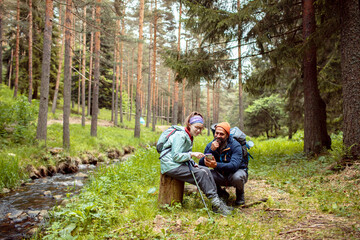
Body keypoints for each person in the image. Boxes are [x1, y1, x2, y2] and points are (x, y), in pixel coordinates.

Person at [159, 112, 233, 215]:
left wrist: (193, 163)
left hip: (177, 163)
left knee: (206, 170)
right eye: (196, 127)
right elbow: (176, 156)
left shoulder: (189, 135)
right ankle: (216, 204)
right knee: (201, 173)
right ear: (189, 125)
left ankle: (217, 201)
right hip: (170, 166)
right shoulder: (181, 135)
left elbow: (183, 155)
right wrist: (192, 154)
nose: (198, 131)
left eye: (201, 128)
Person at [199, 122, 248, 206]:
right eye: (216, 133)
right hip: (220, 175)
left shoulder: (235, 146)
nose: (218, 136)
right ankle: (221, 193)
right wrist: (211, 150)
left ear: (227, 135)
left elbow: (234, 166)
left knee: (237, 177)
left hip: (234, 174)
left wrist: (216, 165)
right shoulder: (211, 145)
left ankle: (240, 195)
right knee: (203, 173)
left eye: (221, 134)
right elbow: (201, 164)